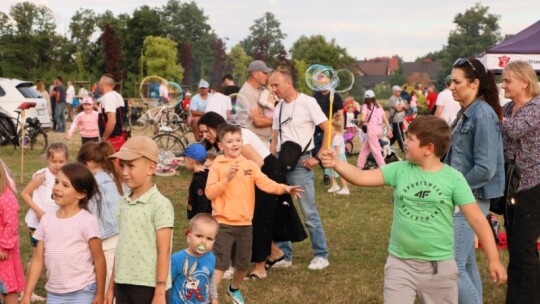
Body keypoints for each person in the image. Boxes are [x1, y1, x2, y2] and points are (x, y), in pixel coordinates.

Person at [321, 115, 507, 303]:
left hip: (440, 269)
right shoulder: (399, 169)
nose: (405, 142)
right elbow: (361, 177)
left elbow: (477, 220)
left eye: (410, 139)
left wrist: (493, 259)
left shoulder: (454, 179)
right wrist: (337, 163)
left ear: (428, 148)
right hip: (400, 264)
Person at [198, 111, 306, 280]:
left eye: (206, 131)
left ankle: (260, 267)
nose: (204, 136)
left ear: (214, 126)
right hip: (254, 175)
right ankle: (274, 253)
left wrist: (241, 176)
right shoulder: (227, 140)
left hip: (266, 172)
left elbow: (258, 162)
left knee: (259, 220)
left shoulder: (237, 136)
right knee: (252, 218)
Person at [445, 57, 504, 304]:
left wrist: (453, 189)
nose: (451, 86)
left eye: (457, 82)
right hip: (464, 198)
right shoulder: (467, 112)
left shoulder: (483, 116)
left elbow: (485, 168)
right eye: (451, 81)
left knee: (452, 268)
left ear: (475, 83)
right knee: (466, 264)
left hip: (470, 199)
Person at [269, 67, 331, 270]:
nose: (273, 89)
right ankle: (284, 255)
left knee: (308, 212)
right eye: (271, 85)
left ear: (288, 83)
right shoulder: (278, 107)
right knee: (283, 209)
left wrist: (317, 157)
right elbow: (275, 137)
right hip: (280, 163)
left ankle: (321, 255)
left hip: (301, 164)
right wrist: (270, 162)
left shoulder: (307, 102)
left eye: (276, 85)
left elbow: (328, 128)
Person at [21, 163, 106, 304]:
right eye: (56, 182)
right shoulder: (46, 220)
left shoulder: (87, 221)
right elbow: (37, 259)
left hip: (82, 292)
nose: (57, 188)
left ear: (81, 194)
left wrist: (100, 294)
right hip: (54, 294)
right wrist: (27, 294)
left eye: (65, 185)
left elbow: (99, 259)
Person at [106, 136, 174, 304]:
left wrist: (160, 290)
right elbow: (121, 245)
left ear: (150, 168)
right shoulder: (123, 202)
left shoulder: (160, 204)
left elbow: (164, 250)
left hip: (148, 285)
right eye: (122, 166)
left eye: (131, 166)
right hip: (123, 282)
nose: (124, 172)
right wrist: (111, 286)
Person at [499, 60, 540, 304]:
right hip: (513, 186)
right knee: (517, 247)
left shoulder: (536, 107)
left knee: (523, 248)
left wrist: (493, 114)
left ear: (524, 83)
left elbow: (513, 130)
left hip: (532, 186)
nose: (503, 85)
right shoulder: (507, 107)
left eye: (507, 81)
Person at [77, 141, 126, 293]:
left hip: (107, 243)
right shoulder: (118, 177)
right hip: (126, 238)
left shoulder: (92, 185)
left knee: (108, 289)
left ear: (89, 164)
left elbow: (88, 217)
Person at [170, 213, 219, 304]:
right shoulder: (177, 259)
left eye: (209, 238)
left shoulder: (211, 258)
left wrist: (214, 298)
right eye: (199, 236)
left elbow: (210, 280)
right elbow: (166, 283)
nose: (203, 241)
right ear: (189, 237)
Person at [0, 159, 25, 304]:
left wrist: (4, 247)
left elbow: (11, 225)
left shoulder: (6, 197)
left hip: (4, 252)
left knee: (8, 286)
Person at [239, 60, 274, 145]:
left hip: (264, 140)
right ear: (255, 74)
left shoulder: (261, 89)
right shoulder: (246, 91)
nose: (267, 76)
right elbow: (258, 121)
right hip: (256, 142)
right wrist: (278, 121)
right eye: (265, 73)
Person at [313, 89, 344, 185]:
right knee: (315, 151)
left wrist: (341, 131)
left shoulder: (335, 97)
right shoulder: (315, 96)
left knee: (326, 152)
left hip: (330, 129)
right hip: (316, 129)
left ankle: (328, 174)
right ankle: (326, 170)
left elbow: (341, 114)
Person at [356, 90, 392, 169]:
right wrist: (389, 129)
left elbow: (362, 119)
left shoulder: (366, 106)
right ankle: (359, 166)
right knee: (365, 149)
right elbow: (385, 118)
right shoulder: (378, 105)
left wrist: (359, 124)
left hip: (371, 130)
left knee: (376, 151)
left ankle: (384, 169)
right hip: (379, 129)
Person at [98, 74, 126, 152]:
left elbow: (112, 121)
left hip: (111, 139)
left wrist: (104, 138)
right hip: (120, 137)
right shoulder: (118, 96)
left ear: (102, 84)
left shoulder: (108, 97)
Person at [184, 143, 211, 219]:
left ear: (190, 160)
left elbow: (203, 203)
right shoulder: (206, 174)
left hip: (200, 220)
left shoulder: (199, 179)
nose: (184, 162)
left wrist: (199, 221)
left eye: (184, 159)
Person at [325, 113, 349, 195]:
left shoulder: (336, 137)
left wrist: (334, 157)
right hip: (339, 155)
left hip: (337, 156)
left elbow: (337, 149)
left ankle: (345, 188)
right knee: (329, 171)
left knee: (338, 172)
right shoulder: (339, 135)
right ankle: (335, 185)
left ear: (334, 128)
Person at [388, 85, 408, 152]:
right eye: (398, 91)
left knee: (395, 135)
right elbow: (398, 109)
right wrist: (404, 107)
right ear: (394, 91)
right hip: (396, 119)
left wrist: (403, 107)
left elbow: (407, 107)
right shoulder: (392, 99)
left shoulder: (400, 98)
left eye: (400, 91)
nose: (399, 92)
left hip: (401, 118)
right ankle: (403, 148)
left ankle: (387, 144)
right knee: (400, 134)